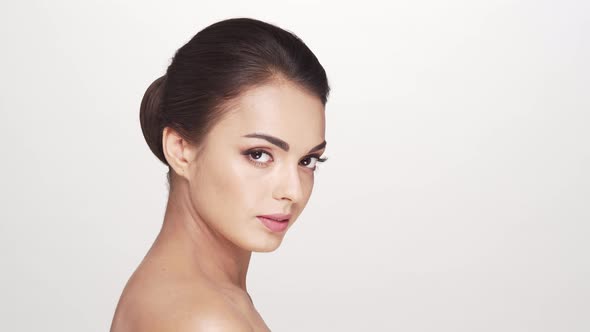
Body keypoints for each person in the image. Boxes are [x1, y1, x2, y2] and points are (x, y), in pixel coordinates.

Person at [110, 17, 330, 332]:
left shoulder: (188, 295)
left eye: (307, 160)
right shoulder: (204, 320)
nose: (293, 191)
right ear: (181, 149)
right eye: (259, 155)